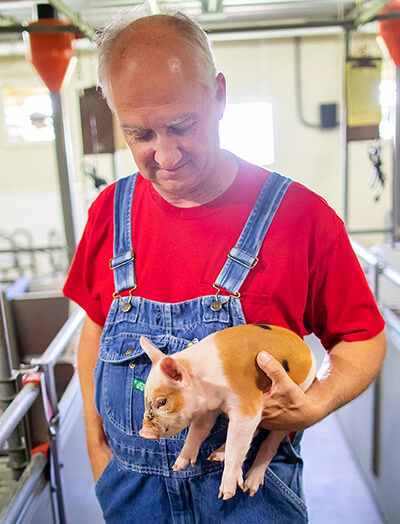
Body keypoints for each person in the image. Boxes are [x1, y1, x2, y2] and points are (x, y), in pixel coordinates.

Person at [63, 9, 386, 524]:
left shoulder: (300, 217)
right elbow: (96, 325)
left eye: (181, 126)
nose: (164, 155)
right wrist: (93, 440)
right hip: (130, 493)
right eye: (139, 133)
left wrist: (318, 401)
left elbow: (364, 336)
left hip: (252, 499)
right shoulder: (110, 212)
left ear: (218, 96)